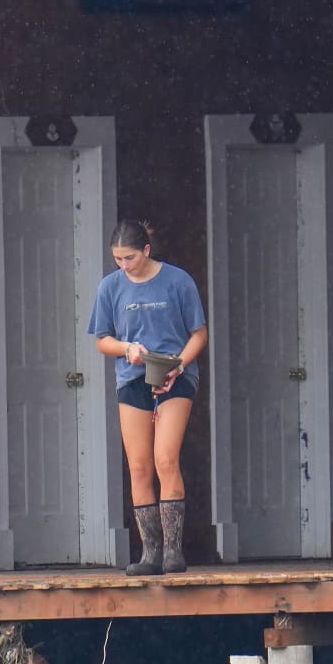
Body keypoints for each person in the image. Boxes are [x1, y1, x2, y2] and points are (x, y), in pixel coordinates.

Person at [87, 220, 208, 576]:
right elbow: (101, 339)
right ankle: (150, 552)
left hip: (174, 375)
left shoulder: (178, 281)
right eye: (118, 259)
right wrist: (127, 349)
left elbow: (199, 334)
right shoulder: (110, 287)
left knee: (165, 458)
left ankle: (173, 551)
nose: (124, 265)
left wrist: (179, 366)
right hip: (132, 377)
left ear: (147, 251)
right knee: (138, 465)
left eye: (129, 258)